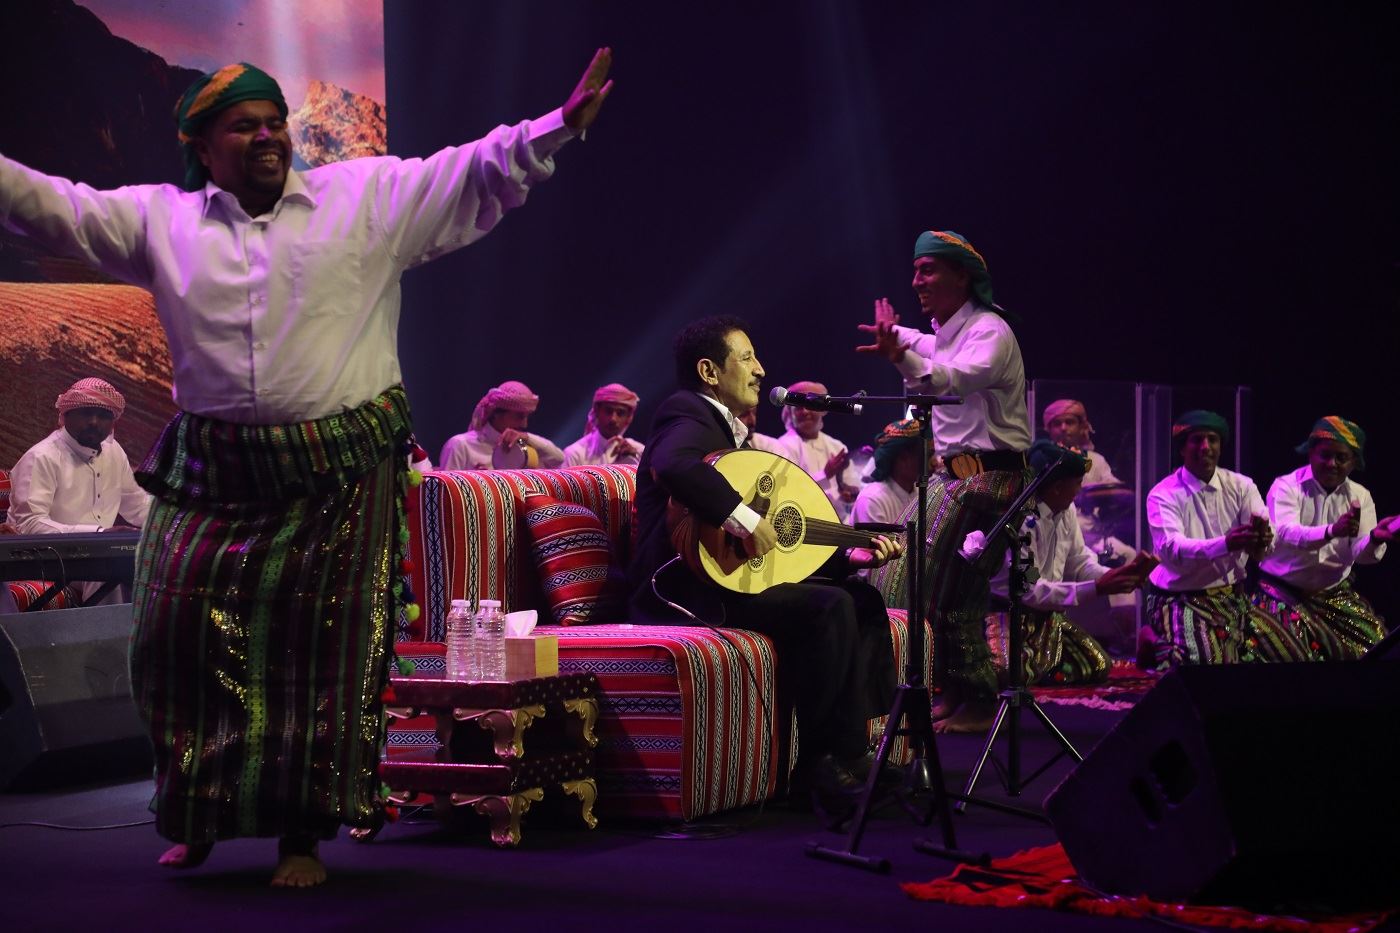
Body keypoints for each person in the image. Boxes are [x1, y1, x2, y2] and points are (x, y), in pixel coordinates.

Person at [0, 51, 613, 885]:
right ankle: (199, 812)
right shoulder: (160, 220)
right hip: (216, 469)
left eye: (274, 122)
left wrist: (556, 128)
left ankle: (301, 835)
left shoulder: (363, 198)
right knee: (173, 639)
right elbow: (53, 207)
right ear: (202, 146)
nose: (266, 136)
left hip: (337, 467)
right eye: (243, 126)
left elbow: (471, 170)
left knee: (320, 656)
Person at [630, 315, 902, 815]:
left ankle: (857, 749)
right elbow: (672, 465)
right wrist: (741, 517)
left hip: (725, 576)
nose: (761, 369)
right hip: (683, 588)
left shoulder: (730, 434)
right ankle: (819, 765)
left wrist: (847, 556)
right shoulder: (687, 411)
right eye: (747, 358)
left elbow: (777, 538)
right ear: (709, 371)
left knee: (861, 597)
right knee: (827, 608)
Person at [856, 229, 1031, 733]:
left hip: (993, 481)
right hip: (957, 479)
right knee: (912, 581)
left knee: (937, 588)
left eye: (927, 270)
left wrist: (898, 353)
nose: (916, 281)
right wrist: (897, 338)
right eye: (915, 270)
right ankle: (956, 690)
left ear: (962, 276)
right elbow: (925, 344)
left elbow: (949, 381)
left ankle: (976, 698)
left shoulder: (990, 331)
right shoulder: (952, 334)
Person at [1143, 410, 1309, 669]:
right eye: (1196, 440)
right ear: (1182, 449)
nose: (1205, 447)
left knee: (1288, 653)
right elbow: (1172, 548)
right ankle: (1153, 643)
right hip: (1181, 599)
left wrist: (1263, 538)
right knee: (1203, 664)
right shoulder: (1162, 494)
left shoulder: (1242, 486)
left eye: (1212, 439)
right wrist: (1226, 544)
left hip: (1232, 599)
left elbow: (1267, 531)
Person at [988, 440, 1155, 685]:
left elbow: (1078, 561)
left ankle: (1042, 669)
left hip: (1047, 617)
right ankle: (1039, 670)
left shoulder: (1066, 510)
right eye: (1077, 483)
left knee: (1097, 664)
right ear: (1057, 488)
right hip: (1009, 616)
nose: (1080, 489)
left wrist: (1114, 577)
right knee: (1008, 674)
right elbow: (1030, 590)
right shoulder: (1020, 519)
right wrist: (1098, 587)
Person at [1256, 416, 1398, 659]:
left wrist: (1375, 538)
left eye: (1341, 457)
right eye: (1325, 455)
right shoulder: (1286, 487)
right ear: (1311, 453)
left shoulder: (1360, 495)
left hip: (1334, 595)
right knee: (1289, 654)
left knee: (1376, 649)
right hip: (1281, 591)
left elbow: (1361, 554)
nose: (1332, 463)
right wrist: (1332, 530)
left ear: (1354, 462)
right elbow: (1287, 532)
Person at [9, 378, 152, 603]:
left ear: (113, 422)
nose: (94, 422)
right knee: (107, 569)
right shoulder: (42, 457)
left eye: (103, 416)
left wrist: (178, 521)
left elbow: (138, 505)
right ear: (65, 415)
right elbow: (29, 524)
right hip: (45, 559)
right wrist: (98, 535)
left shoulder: (114, 453)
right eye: (86, 413)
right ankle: (107, 628)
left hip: (100, 555)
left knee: (155, 561)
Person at [770, 380, 863, 519]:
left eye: (810, 406)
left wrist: (850, 494)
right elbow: (788, 492)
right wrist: (825, 474)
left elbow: (853, 485)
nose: (805, 411)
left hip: (839, 522)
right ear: (790, 412)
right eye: (798, 407)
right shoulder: (781, 446)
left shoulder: (837, 446)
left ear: (823, 409)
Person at [440, 380, 566, 470]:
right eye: (519, 416)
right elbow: (447, 493)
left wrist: (528, 437)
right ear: (496, 413)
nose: (524, 424)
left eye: (527, 417)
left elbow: (559, 459)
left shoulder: (524, 446)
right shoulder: (461, 445)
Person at [846, 418, 921, 529]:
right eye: (927, 455)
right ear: (903, 458)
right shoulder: (871, 500)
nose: (934, 462)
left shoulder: (921, 494)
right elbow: (877, 541)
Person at [562, 382, 644, 466]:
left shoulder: (639, 452)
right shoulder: (575, 453)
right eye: (608, 411)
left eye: (620, 413)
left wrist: (633, 459)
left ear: (629, 417)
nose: (613, 419)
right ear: (597, 411)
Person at [1042, 399, 1121, 485]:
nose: (1063, 428)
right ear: (1049, 429)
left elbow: (1113, 488)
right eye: (1057, 424)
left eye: (1069, 422)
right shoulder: (1040, 459)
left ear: (1081, 427)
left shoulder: (1096, 460)